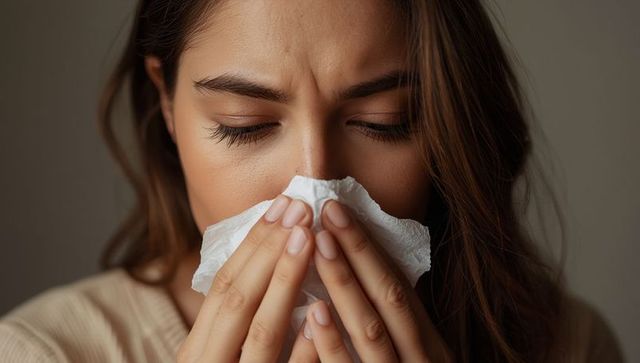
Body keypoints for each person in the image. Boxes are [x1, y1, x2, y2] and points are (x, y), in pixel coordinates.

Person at [0, 0, 625, 362]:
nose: (315, 187)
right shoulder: (43, 352)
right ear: (166, 103)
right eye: (244, 126)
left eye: (386, 123)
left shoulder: (567, 345)